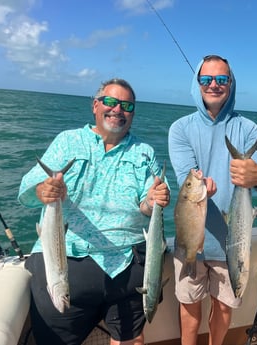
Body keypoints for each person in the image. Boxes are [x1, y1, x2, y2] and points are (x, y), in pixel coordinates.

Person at [18, 78, 170, 345]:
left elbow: (147, 208)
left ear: (133, 112)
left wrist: (152, 200)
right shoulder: (68, 141)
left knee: (131, 339)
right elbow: (29, 190)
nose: (117, 110)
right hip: (65, 260)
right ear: (95, 105)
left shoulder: (144, 152)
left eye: (126, 105)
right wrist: (44, 190)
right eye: (111, 102)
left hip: (128, 262)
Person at [168, 54, 257, 345]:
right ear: (197, 83)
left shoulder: (249, 129)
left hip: (234, 238)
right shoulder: (180, 128)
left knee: (224, 307)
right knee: (189, 307)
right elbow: (184, 177)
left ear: (231, 83)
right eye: (206, 79)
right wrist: (204, 186)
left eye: (221, 79)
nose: (213, 85)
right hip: (191, 236)